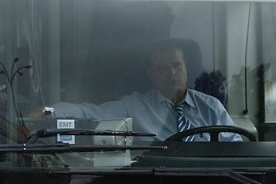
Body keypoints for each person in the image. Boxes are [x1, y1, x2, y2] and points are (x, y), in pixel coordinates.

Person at [46, 38, 242, 141]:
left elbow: (236, 151)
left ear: (186, 67)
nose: (171, 73)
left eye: (177, 65)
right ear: (151, 74)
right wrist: (49, 112)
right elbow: (89, 113)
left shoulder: (211, 107)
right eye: (162, 68)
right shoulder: (134, 106)